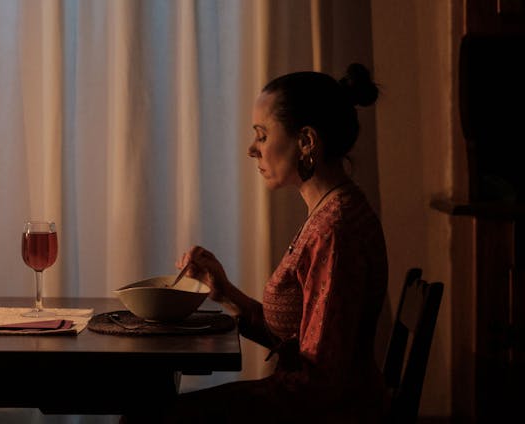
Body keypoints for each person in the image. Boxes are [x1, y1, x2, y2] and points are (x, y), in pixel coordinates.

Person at [126, 63, 388, 423]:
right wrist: (225, 292)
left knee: (147, 417)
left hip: (323, 414)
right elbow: (301, 339)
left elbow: (321, 384)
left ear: (306, 141)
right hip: (313, 403)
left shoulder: (334, 232)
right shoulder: (329, 213)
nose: (252, 149)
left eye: (262, 135)